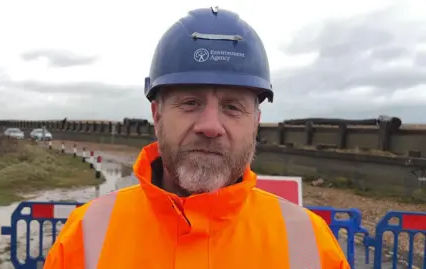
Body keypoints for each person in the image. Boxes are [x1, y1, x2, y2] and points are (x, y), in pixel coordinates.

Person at [43, 7, 350, 269]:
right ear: (157, 114)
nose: (210, 126)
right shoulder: (85, 236)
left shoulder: (312, 247)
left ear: (256, 122)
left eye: (232, 107)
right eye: (191, 103)